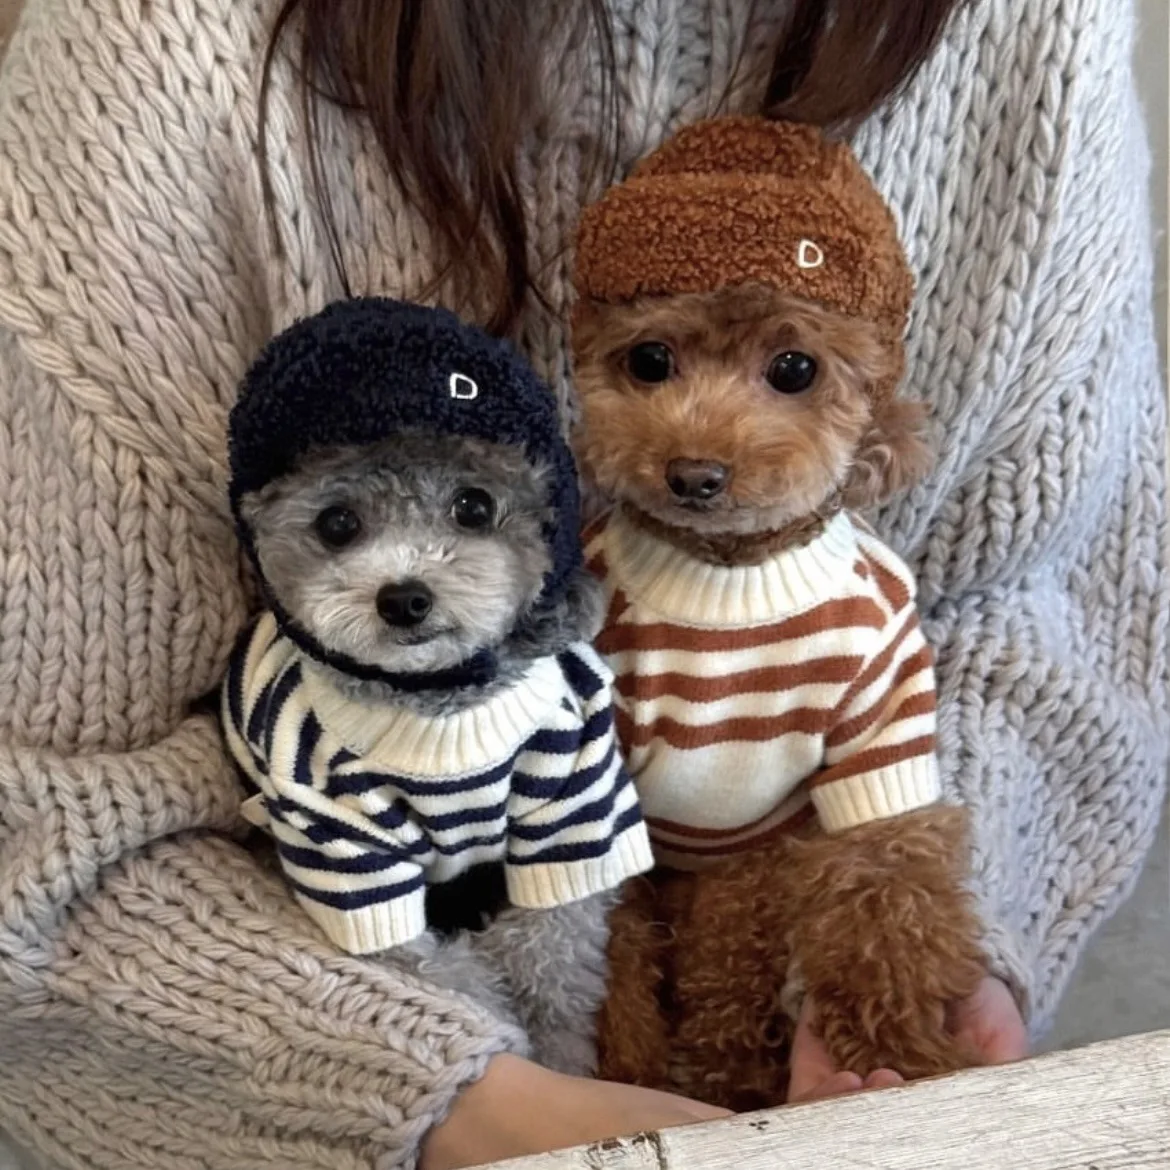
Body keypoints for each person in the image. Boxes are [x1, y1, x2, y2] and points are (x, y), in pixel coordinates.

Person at [0, 0, 1162, 1167]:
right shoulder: (155, 51)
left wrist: (917, 980)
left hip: (825, 1011)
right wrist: (449, 1099)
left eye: (787, 372)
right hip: (342, 1016)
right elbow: (48, 814)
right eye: (647, 363)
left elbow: (1053, 619)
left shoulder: (1038, 39)